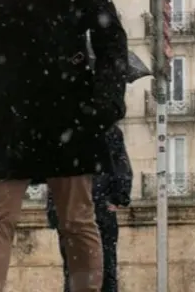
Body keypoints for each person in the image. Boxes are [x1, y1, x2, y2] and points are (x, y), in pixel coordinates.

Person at [0, 0, 129, 292]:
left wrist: (105, 102)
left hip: (67, 109)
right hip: (7, 116)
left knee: (77, 220)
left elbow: (110, 38)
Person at [47, 124, 133, 292]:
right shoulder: (106, 129)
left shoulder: (67, 129)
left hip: (88, 208)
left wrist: (116, 198)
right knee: (93, 267)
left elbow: (120, 166)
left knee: (84, 268)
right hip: (88, 207)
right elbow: (121, 166)